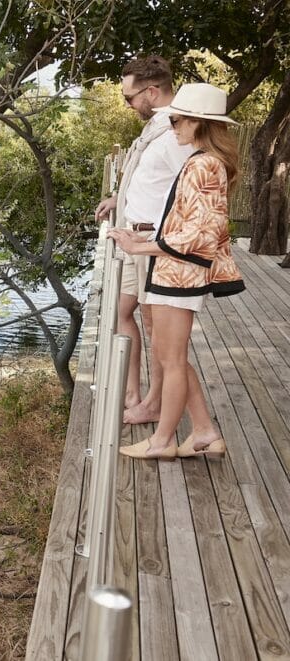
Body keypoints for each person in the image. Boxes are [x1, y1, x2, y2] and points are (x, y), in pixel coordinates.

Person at [109, 82, 245, 459]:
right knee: (172, 358)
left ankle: (163, 440)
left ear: (199, 123)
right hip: (173, 273)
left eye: (178, 120)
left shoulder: (204, 166)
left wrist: (141, 245)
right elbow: (189, 225)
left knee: (171, 360)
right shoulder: (200, 161)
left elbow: (200, 234)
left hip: (179, 276)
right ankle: (202, 432)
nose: (173, 127)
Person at [95, 55, 196, 425]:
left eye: (129, 97)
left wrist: (164, 239)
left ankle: (155, 404)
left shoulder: (176, 133)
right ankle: (133, 392)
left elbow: (189, 190)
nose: (128, 105)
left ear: (151, 91)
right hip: (134, 239)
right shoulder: (157, 128)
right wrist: (116, 200)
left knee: (157, 329)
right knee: (122, 311)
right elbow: (150, 181)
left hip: (152, 243)